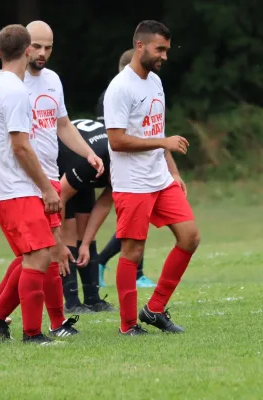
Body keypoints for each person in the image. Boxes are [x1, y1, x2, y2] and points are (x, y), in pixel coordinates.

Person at [0, 21, 104, 339]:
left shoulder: (5, 84)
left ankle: (8, 316)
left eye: (49, 47)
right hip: (26, 184)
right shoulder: (14, 89)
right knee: (41, 255)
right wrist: (34, 185)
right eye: (37, 46)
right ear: (27, 48)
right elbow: (15, 144)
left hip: (37, 181)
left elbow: (62, 124)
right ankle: (25, 327)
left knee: (45, 254)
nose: (42, 53)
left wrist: (87, 154)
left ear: (0, 51)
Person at [104, 20, 200, 336]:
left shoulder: (155, 82)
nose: (165, 56)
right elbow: (117, 140)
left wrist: (173, 172)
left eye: (167, 50)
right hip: (132, 184)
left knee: (190, 237)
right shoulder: (120, 87)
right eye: (160, 49)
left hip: (160, 179)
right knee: (132, 253)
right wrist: (163, 143)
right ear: (140, 46)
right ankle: (128, 325)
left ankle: (154, 310)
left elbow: (156, 132)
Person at [96, 48, 156, 289]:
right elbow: (109, 137)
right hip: (121, 165)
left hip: (142, 165)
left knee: (137, 222)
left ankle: (135, 271)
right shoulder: (113, 93)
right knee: (132, 224)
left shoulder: (145, 89)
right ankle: (106, 263)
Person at [57, 118, 115, 313]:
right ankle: (72, 302)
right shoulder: (92, 162)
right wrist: (58, 241)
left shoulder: (126, 165)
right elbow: (60, 197)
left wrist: (86, 244)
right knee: (69, 233)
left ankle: (93, 299)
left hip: (87, 168)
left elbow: (105, 203)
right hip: (65, 165)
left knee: (85, 233)